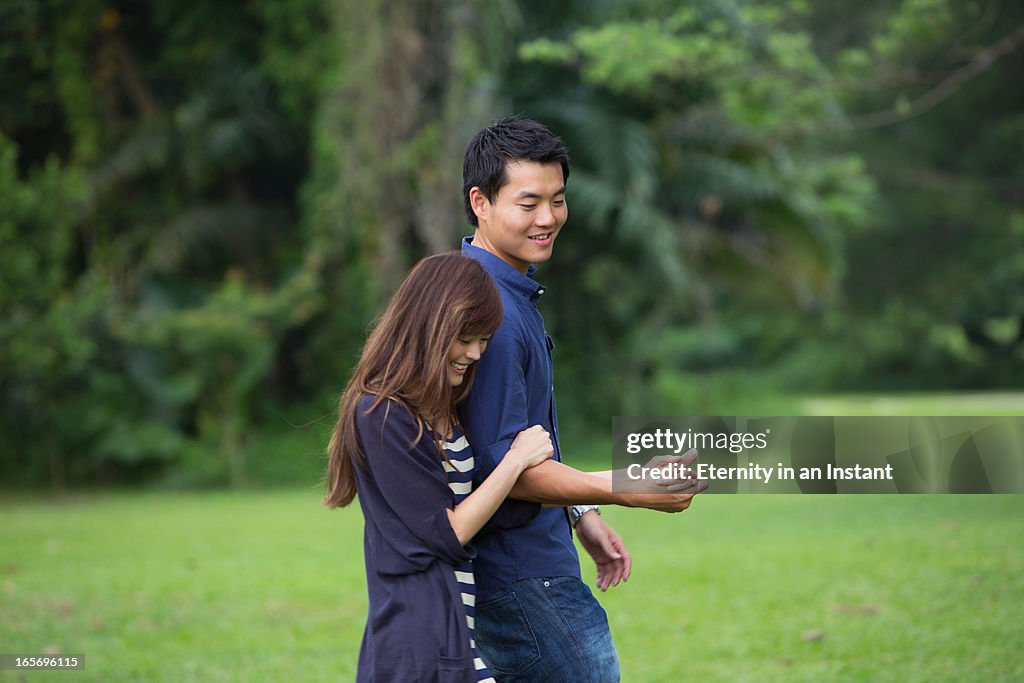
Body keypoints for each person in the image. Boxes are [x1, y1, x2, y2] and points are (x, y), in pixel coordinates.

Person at [458, 116, 708, 682]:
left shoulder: (505, 292)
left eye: (558, 200)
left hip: (533, 564)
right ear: (481, 202)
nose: (547, 219)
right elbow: (507, 470)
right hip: (521, 578)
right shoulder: (483, 309)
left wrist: (580, 511)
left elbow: (526, 441)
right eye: (528, 203)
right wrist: (626, 486)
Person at [324, 253, 557, 683]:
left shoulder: (439, 408)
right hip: (418, 636)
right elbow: (448, 532)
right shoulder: (381, 414)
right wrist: (516, 460)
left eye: (484, 340)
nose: (475, 353)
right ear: (429, 327)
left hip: (456, 628)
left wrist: (589, 505)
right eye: (465, 338)